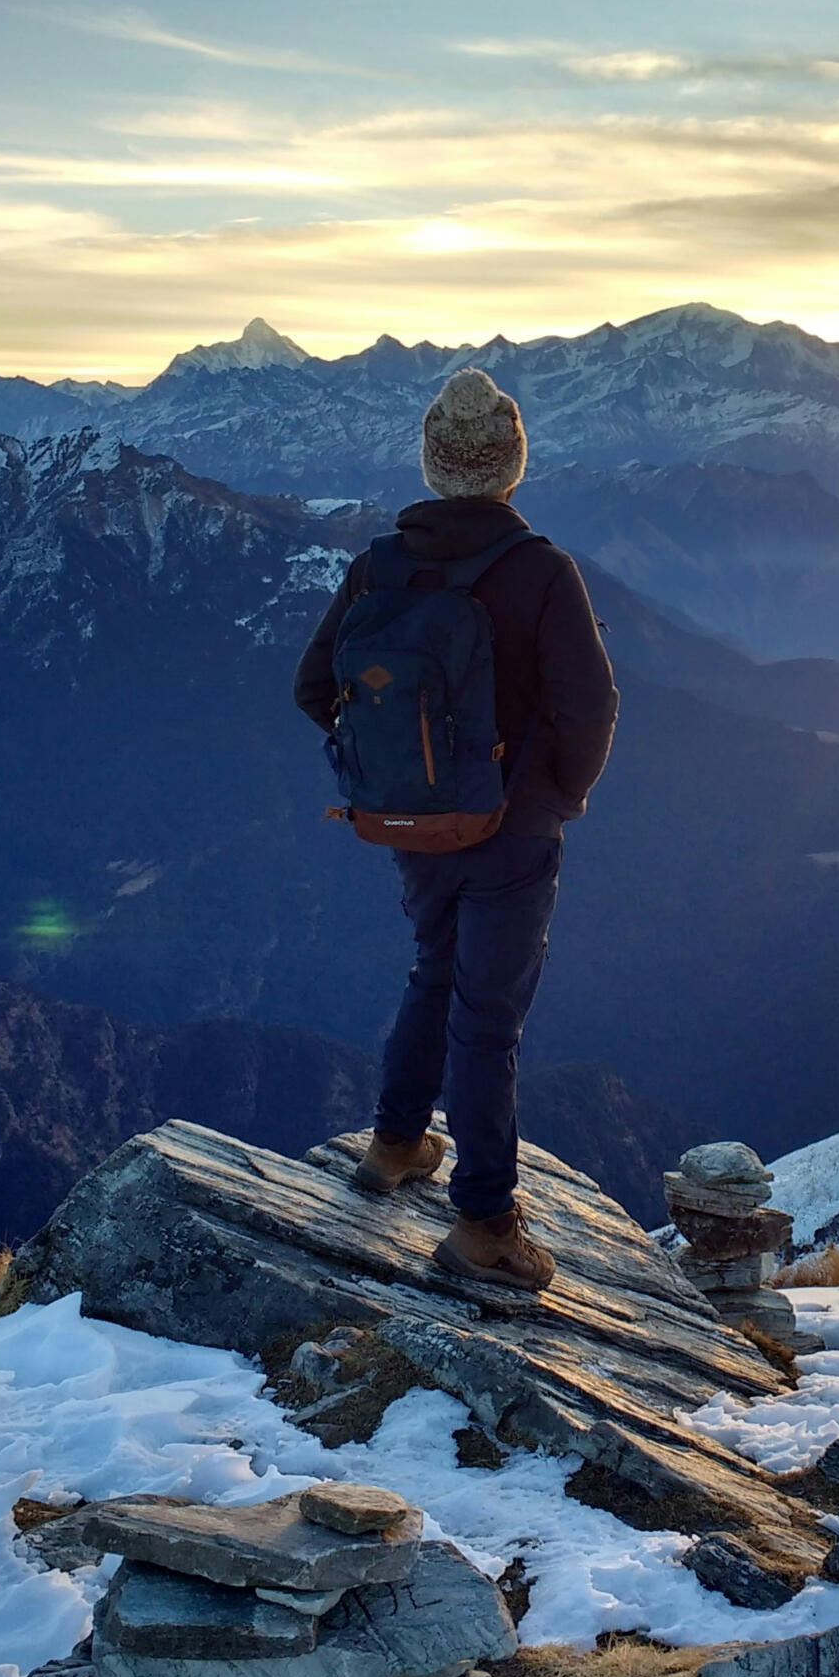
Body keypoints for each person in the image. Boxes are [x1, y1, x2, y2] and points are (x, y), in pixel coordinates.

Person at [293, 368, 618, 1289]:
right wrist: (559, 793)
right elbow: (591, 709)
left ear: (433, 465)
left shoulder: (380, 566)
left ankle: (395, 1143)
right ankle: (483, 1225)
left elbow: (314, 689)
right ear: (513, 464)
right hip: (512, 833)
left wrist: (390, 769)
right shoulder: (542, 571)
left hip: (411, 822)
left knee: (433, 968)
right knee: (489, 1020)